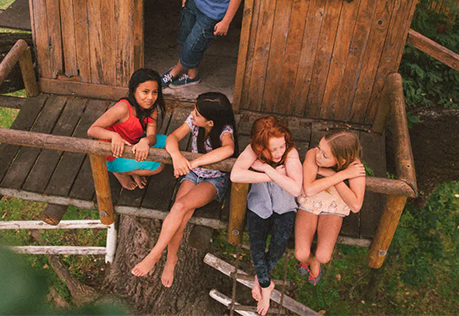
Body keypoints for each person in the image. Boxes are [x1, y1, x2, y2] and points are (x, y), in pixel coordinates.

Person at [131, 92, 236, 287]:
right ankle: (171, 260)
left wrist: (195, 162)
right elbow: (173, 137)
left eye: (197, 113)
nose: (192, 114)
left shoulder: (224, 130)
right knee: (180, 216)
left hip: (213, 180)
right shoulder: (195, 120)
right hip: (193, 174)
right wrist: (177, 156)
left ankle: (155, 254)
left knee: (180, 206)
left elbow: (228, 149)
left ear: (210, 122)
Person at [230, 117, 303, 316]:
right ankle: (266, 285)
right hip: (259, 205)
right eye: (273, 149)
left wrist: (266, 168)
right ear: (261, 148)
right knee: (257, 246)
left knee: (279, 245)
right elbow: (235, 175)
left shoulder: (291, 153)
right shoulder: (252, 150)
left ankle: (261, 280)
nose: (279, 153)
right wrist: (272, 175)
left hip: (285, 206)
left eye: (282, 146)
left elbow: (295, 189)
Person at [294, 129, 366, 285]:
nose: (318, 156)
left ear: (341, 159)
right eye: (319, 148)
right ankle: (307, 259)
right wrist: (342, 175)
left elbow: (355, 205)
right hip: (310, 204)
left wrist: (332, 175)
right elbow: (309, 189)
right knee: (300, 254)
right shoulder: (313, 154)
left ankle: (315, 260)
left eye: (325, 155)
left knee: (324, 256)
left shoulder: (355, 167)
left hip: (334, 209)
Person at [87, 68, 165, 190]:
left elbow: (152, 137)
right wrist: (114, 136)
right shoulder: (122, 108)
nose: (150, 97)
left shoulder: (152, 110)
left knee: (167, 141)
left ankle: (133, 169)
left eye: (154, 92)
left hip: (133, 145)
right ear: (133, 91)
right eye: (145, 92)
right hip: (113, 155)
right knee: (159, 166)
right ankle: (122, 173)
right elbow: (92, 130)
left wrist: (145, 141)